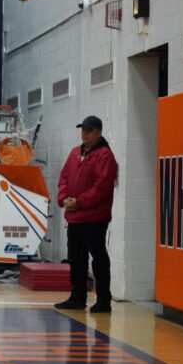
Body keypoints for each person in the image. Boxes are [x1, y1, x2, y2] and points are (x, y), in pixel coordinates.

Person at [54, 115, 118, 313]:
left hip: (94, 219)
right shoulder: (75, 153)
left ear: (98, 132)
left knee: (98, 259)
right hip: (74, 218)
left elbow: (102, 187)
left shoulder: (105, 156)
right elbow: (64, 177)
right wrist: (64, 199)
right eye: (83, 130)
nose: (85, 134)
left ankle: (103, 300)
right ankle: (77, 298)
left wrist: (79, 202)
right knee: (76, 260)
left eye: (89, 130)